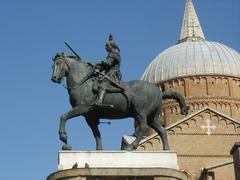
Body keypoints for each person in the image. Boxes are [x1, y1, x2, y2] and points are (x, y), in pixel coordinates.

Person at [94, 34, 122, 106]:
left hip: (113, 74)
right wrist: (97, 67)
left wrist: (101, 62)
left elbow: (108, 63)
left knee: (103, 85)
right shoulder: (111, 54)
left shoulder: (114, 54)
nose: (105, 47)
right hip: (109, 73)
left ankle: (100, 100)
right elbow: (105, 66)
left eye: (106, 46)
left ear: (111, 46)